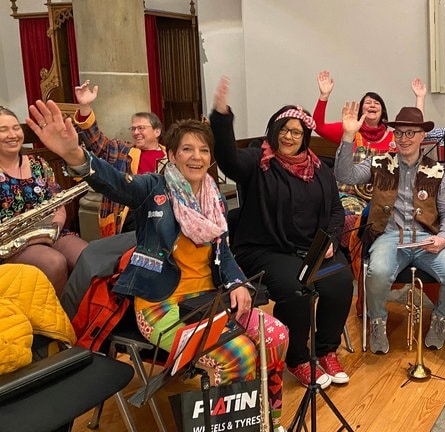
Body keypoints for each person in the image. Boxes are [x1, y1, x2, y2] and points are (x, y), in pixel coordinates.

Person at [26, 100, 290, 431]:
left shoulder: (214, 199)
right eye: (187, 149)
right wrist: (75, 156)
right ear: (172, 155)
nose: (197, 156)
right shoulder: (154, 188)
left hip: (209, 301)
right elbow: (115, 183)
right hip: (161, 307)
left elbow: (224, 253)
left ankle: (266, 419)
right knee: (238, 355)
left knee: (276, 334)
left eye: (204, 150)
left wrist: (237, 283)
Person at [209, 76, 354, 389]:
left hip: (310, 248)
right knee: (298, 286)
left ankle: (326, 350)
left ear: (305, 137)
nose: (289, 136)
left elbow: (335, 212)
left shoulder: (318, 168)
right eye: (284, 130)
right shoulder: (257, 160)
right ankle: (298, 358)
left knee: (341, 279)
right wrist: (222, 117)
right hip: (265, 249)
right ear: (274, 132)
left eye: (297, 132)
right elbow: (227, 159)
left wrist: (329, 240)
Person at [335, 102, 445, 354]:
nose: (404, 138)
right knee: (377, 272)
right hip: (389, 236)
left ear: (422, 136)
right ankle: (377, 322)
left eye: (410, 133)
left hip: (427, 238)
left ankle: (439, 320)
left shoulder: (437, 171)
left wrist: (443, 237)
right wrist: (348, 136)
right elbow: (345, 176)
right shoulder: (380, 163)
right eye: (399, 133)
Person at [313, 70, 426, 249]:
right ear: (361, 110)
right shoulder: (349, 130)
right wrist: (324, 96)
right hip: (350, 196)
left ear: (383, 111)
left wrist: (420, 99)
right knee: (357, 221)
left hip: (384, 197)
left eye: (376, 102)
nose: (372, 104)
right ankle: (358, 258)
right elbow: (318, 126)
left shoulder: (394, 137)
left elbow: (416, 131)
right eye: (367, 102)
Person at [0, 106, 88, 296]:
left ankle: (85, 319)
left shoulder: (38, 163)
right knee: (54, 263)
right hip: (11, 244)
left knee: (87, 255)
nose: (12, 134)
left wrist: (53, 229)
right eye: (3, 130)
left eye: (15, 128)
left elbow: (58, 203)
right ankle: (58, 322)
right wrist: (30, 238)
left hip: (50, 232)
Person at [73, 80, 167, 236]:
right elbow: (98, 142)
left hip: (162, 213)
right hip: (130, 215)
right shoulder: (121, 150)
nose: (136, 132)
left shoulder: (170, 157)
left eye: (141, 128)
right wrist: (85, 107)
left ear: (157, 132)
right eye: (133, 128)